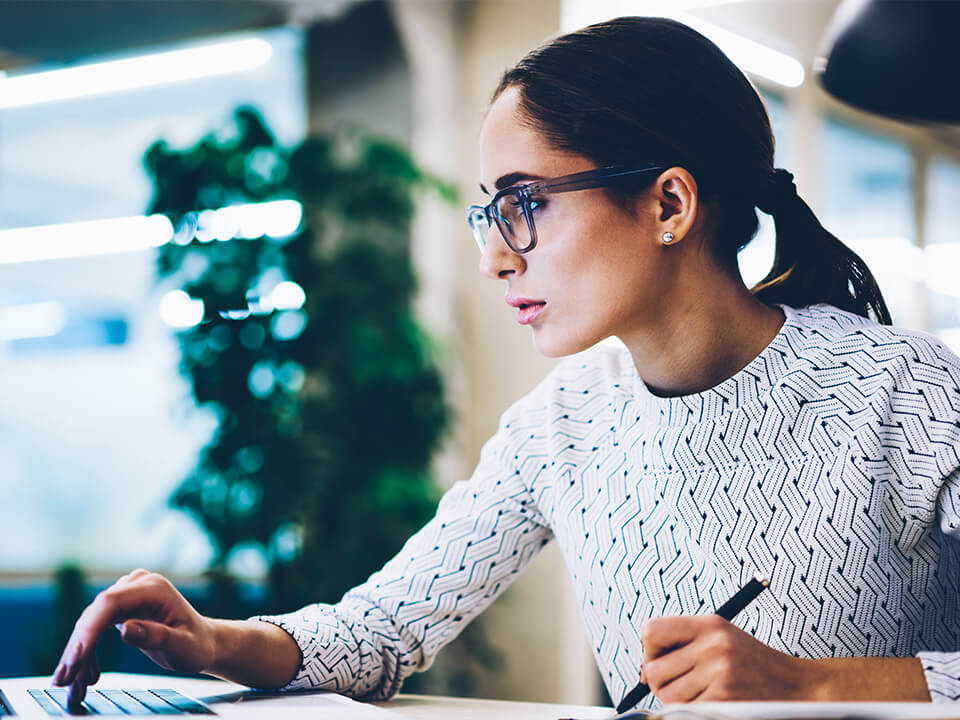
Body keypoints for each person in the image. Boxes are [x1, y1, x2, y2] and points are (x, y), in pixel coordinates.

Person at [53, 16, 960, 710]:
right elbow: (384, 629)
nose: (495, 255)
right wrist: (213, 640)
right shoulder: (560, 423)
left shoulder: (906, 391)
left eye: (525, 203)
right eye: (489, 212)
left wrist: (814, 687)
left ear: (670, 204)